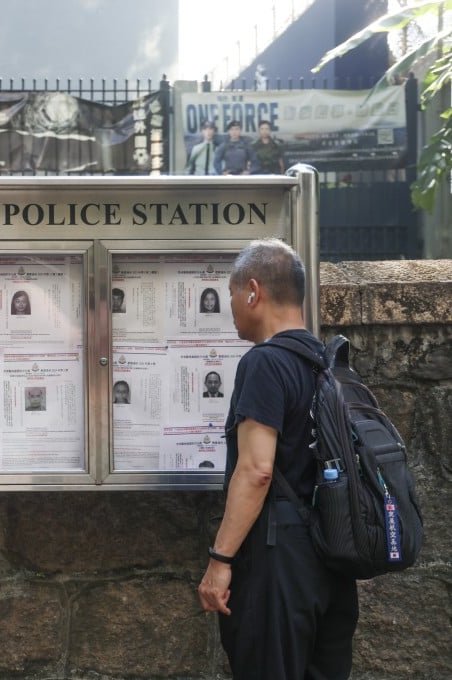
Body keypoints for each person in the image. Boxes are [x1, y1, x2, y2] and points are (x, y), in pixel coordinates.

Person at [198, 238, 358, 679]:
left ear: (253, 291)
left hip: (278, 566)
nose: (230, 306)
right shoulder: (327, 363)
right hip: (332, 558)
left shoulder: (265, 363)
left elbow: (257, 470)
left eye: (231, 293)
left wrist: (220, 562)